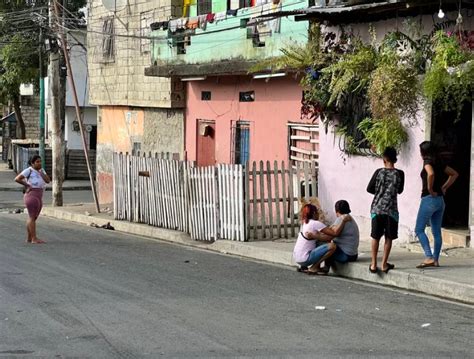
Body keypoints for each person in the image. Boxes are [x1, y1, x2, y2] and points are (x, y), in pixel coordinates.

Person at [415, 141, 458, 268]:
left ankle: (429, 256)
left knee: (419, 229)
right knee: (436, 232)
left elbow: (431, 173)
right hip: (440, 201)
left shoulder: (427, 162)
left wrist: (430, 189)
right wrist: (444, 187)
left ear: (423, 152)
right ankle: (436, 260)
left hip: (429, 199)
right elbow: (454, 174)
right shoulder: (440, 162)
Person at [367, 147, 404, 274]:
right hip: (391, 210)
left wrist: (380, 191)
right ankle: (384, 264)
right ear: (395, 159)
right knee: (389, 237)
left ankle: (373, 264)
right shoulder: (400, 174)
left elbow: (369, 188)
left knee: (375, 236)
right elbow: (400, 190)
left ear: (384, 159)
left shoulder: (378, 172)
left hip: (376, 208)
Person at [293, 203, 350, 275]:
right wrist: (343, 222)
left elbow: (321, 236)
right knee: (332, 246)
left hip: (298, 258)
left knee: (320, 242)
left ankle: (306, 266)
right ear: (314, 213)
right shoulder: (315, 223)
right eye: (317, 212)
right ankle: (314, 267)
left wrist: (319, 235)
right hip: (305, 258)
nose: (318, 214)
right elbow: (334, 233)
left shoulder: (305, 223)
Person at [14, 155, 50, 244]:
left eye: (40, 161)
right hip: (31, 195)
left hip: (39, 195)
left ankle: (29, 238)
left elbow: (48, 180)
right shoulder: (29, 170)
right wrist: (27, 185)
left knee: (34, 217)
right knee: (32, 217)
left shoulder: (42, 170)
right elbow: (17, 179)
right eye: (37, 162)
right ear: (32, 163)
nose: (39, 163)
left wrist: (42, 173)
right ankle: (34, 238)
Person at [324, 200, 359, 271]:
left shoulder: (341, 219)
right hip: (353, 254)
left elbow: (331, 234)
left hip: (346, 255)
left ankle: (325, 268)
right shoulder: (349, 218)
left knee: (325, 247)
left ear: (337, 211)